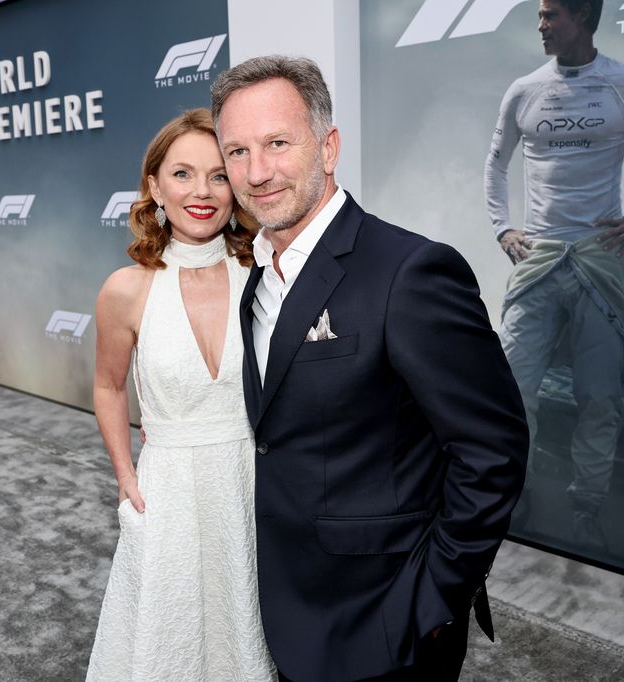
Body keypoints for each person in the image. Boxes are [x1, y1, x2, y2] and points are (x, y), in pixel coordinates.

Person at [211, 56, 529, 682]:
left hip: (387, 622)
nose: (257, 172)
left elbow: (492, 450)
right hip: (290, 606)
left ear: (328, 148)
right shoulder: (257, 281)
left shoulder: (409, 272)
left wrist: (435, 599)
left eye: (277, 143)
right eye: (238, 151)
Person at [484, 0, 624, 550]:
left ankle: (587, 508)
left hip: (599, 261)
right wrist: (502, 228)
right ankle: (517, 498)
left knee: (601, 397)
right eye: (539, 14)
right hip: (537, 259)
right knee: (512, 391)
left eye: (551, 15)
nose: (540, 25)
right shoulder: (524, 89)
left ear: (583, 16)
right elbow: (495, 164)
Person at [86, 108, 276, 681]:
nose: (203, 192)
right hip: (168, 492)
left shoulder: (265, 272)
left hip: (256, 484)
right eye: (183, 174)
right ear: (154, 186)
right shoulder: (126, 289)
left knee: (253, 635)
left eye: (219, 175)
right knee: (172, 643)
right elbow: (108, 385)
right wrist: (126, 479)